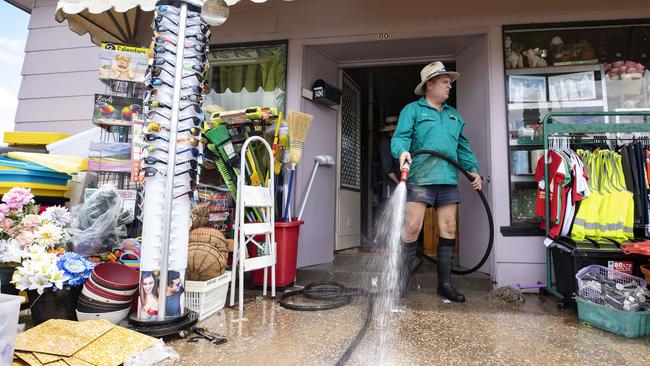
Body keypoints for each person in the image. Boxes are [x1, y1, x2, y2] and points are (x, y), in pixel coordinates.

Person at [391, 61, 482, 302]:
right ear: (429, 85)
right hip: (420, 177)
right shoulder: (412, 110)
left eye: (449, 82)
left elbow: (463, 147)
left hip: (447, 178)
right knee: (411, 227)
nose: (449, 86)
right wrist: (402, 152)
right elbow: (400, 138)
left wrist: (473, 169)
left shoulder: (454, 115)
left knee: (449, 228)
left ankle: (444, 284)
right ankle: (400, 281)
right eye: (444, 82)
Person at [378, 116, 401, 200]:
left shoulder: (399, 141)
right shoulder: (385, 143)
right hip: (392, 183)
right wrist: (398, 183)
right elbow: (387, 168)